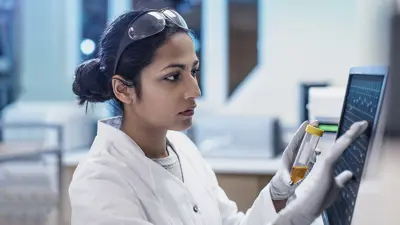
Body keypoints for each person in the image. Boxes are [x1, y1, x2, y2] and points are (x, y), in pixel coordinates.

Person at [69, 8, 368, 225]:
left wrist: (282, 188)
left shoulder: (182, 148)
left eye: (194, 71)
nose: (195, 90)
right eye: (173, 77)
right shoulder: (100, 181)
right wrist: (294, 220)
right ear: (123, 89)